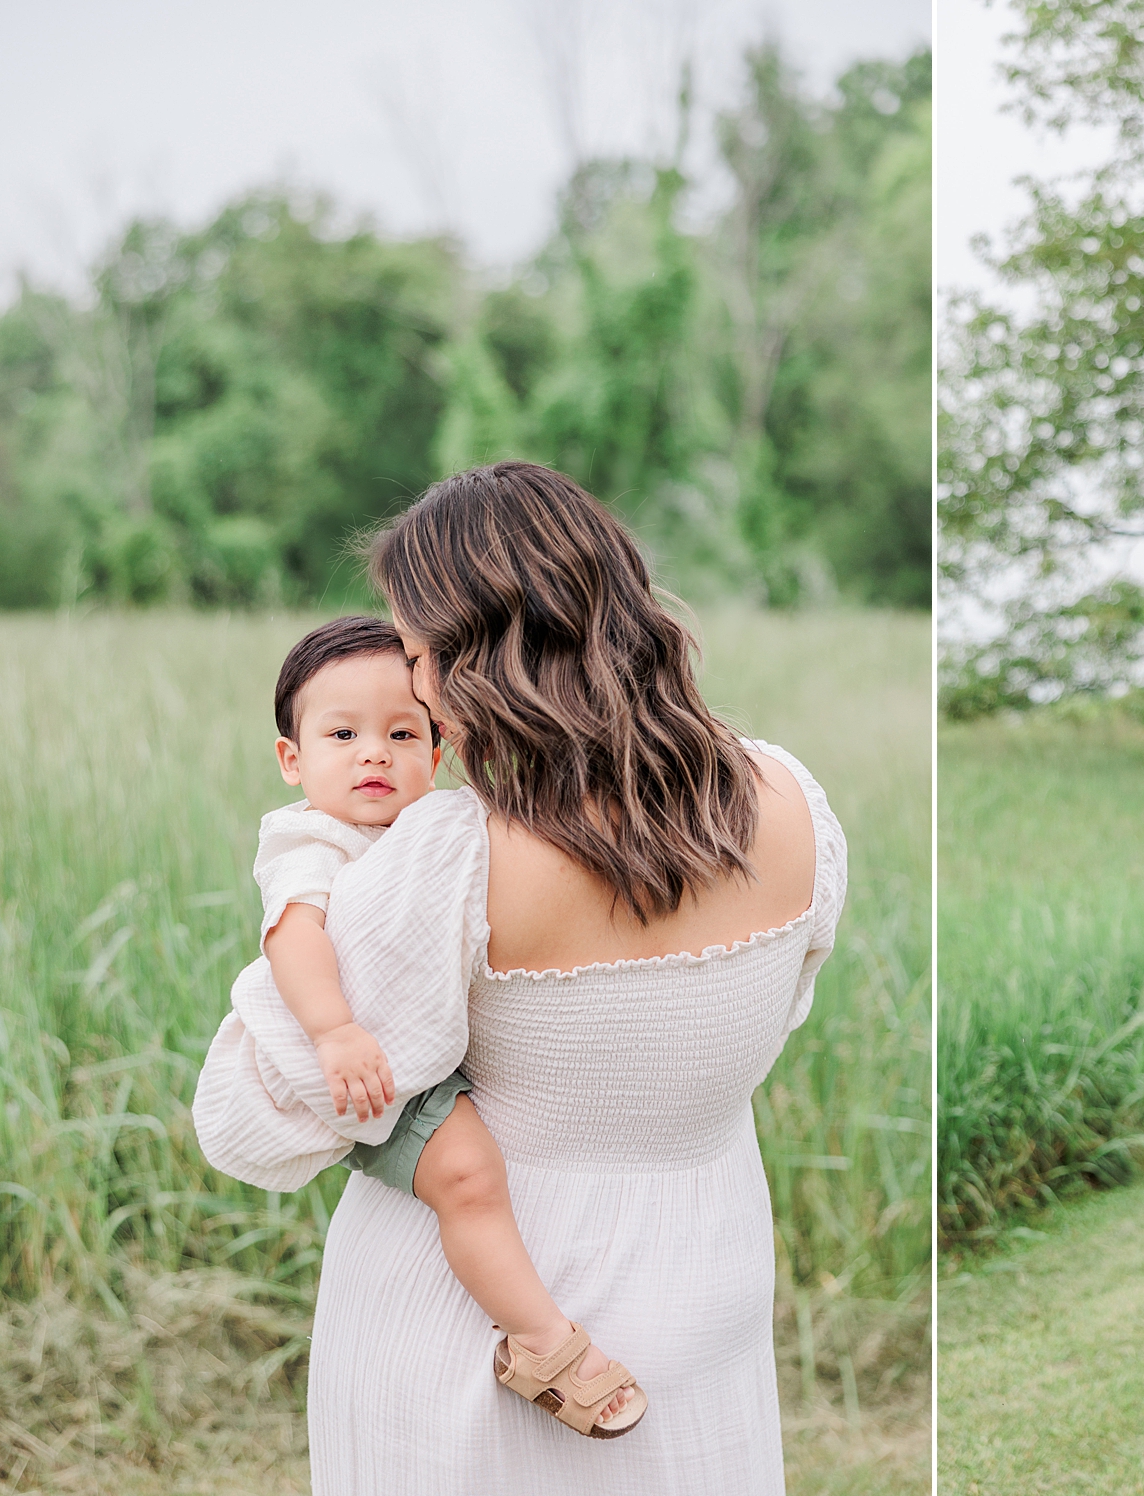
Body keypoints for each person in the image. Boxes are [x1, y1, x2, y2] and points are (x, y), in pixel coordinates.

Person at [193, 461, 846, 1493]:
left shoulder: (454, 852)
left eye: (413, 653)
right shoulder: (789, 798)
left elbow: (250, 1116)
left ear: (473, 657)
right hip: (706, 1280)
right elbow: (765, 1013)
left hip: (462, 1339)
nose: (412, 687)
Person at [194, 614, 642, 1439]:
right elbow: (293, 937)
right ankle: (544, 1347)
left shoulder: (438, 829)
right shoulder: (310, 841)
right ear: (293, 760)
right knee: (467, 1175)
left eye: (402, 732)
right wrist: (333, 1032)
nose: (374, 752)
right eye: (343, 733)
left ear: (435, 756)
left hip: (422, 1050)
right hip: (368, 1066)